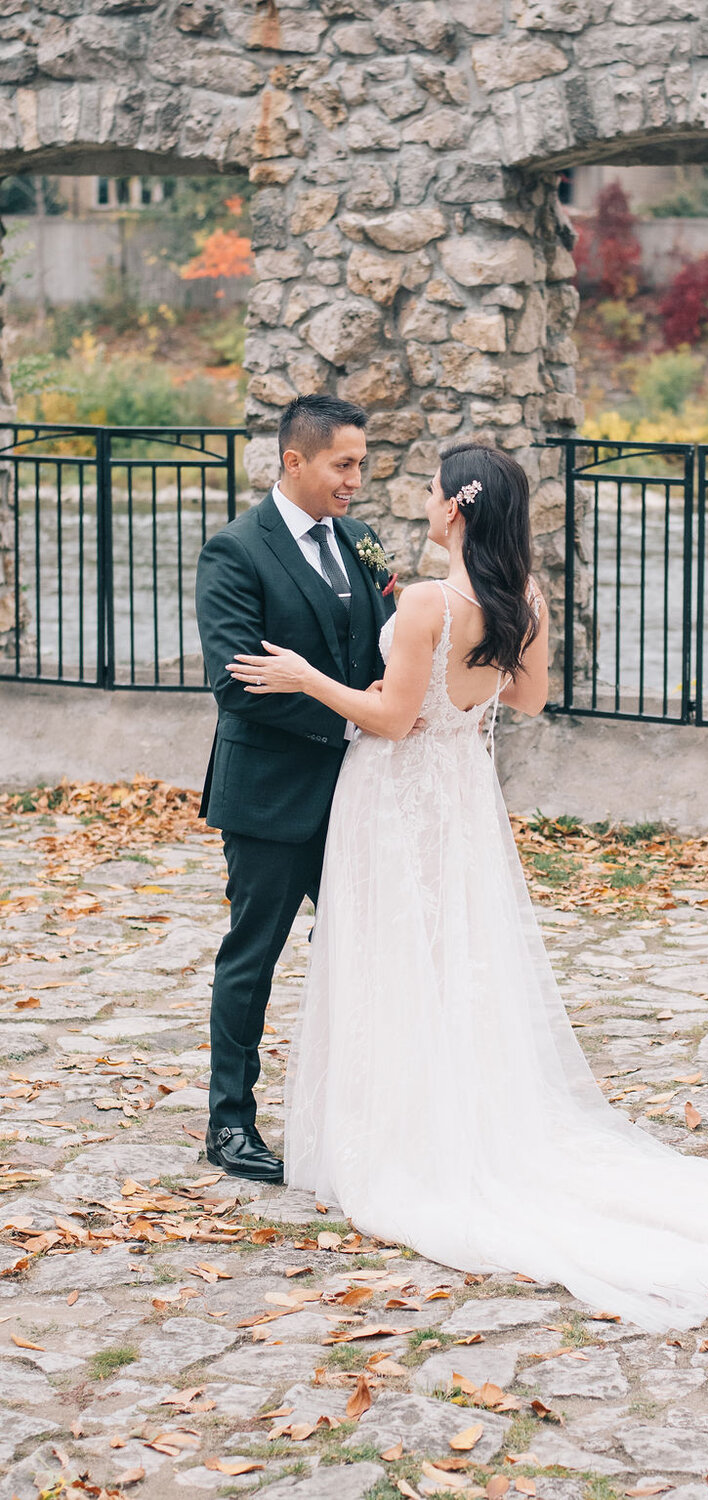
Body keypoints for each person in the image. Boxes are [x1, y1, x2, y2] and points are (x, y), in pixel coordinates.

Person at [227, 441, 708, 1331]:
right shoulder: (520, 600)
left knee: (389, 954)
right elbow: (529, 702)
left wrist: (311, 676)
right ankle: (451, 1118)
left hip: (393, 799)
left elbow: (388, 719)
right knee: (448, 954)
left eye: (431, 492)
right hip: (461, 796)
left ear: (455, 508)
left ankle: (395, 1140)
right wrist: (454, 684)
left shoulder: (427, 600)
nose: (420, 503)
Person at [195, 395, 395, 1184]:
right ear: (294, 462)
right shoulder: (235, 551)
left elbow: (380, 649)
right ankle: (229, 1125)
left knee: (367, 949)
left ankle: (362, 1113)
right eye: (343, 465)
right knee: (254, 958)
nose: (354, 481)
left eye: (361, 466)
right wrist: (353, 723)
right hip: (271, 796)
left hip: (357, 795)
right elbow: (237, 684)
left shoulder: (363, 541)